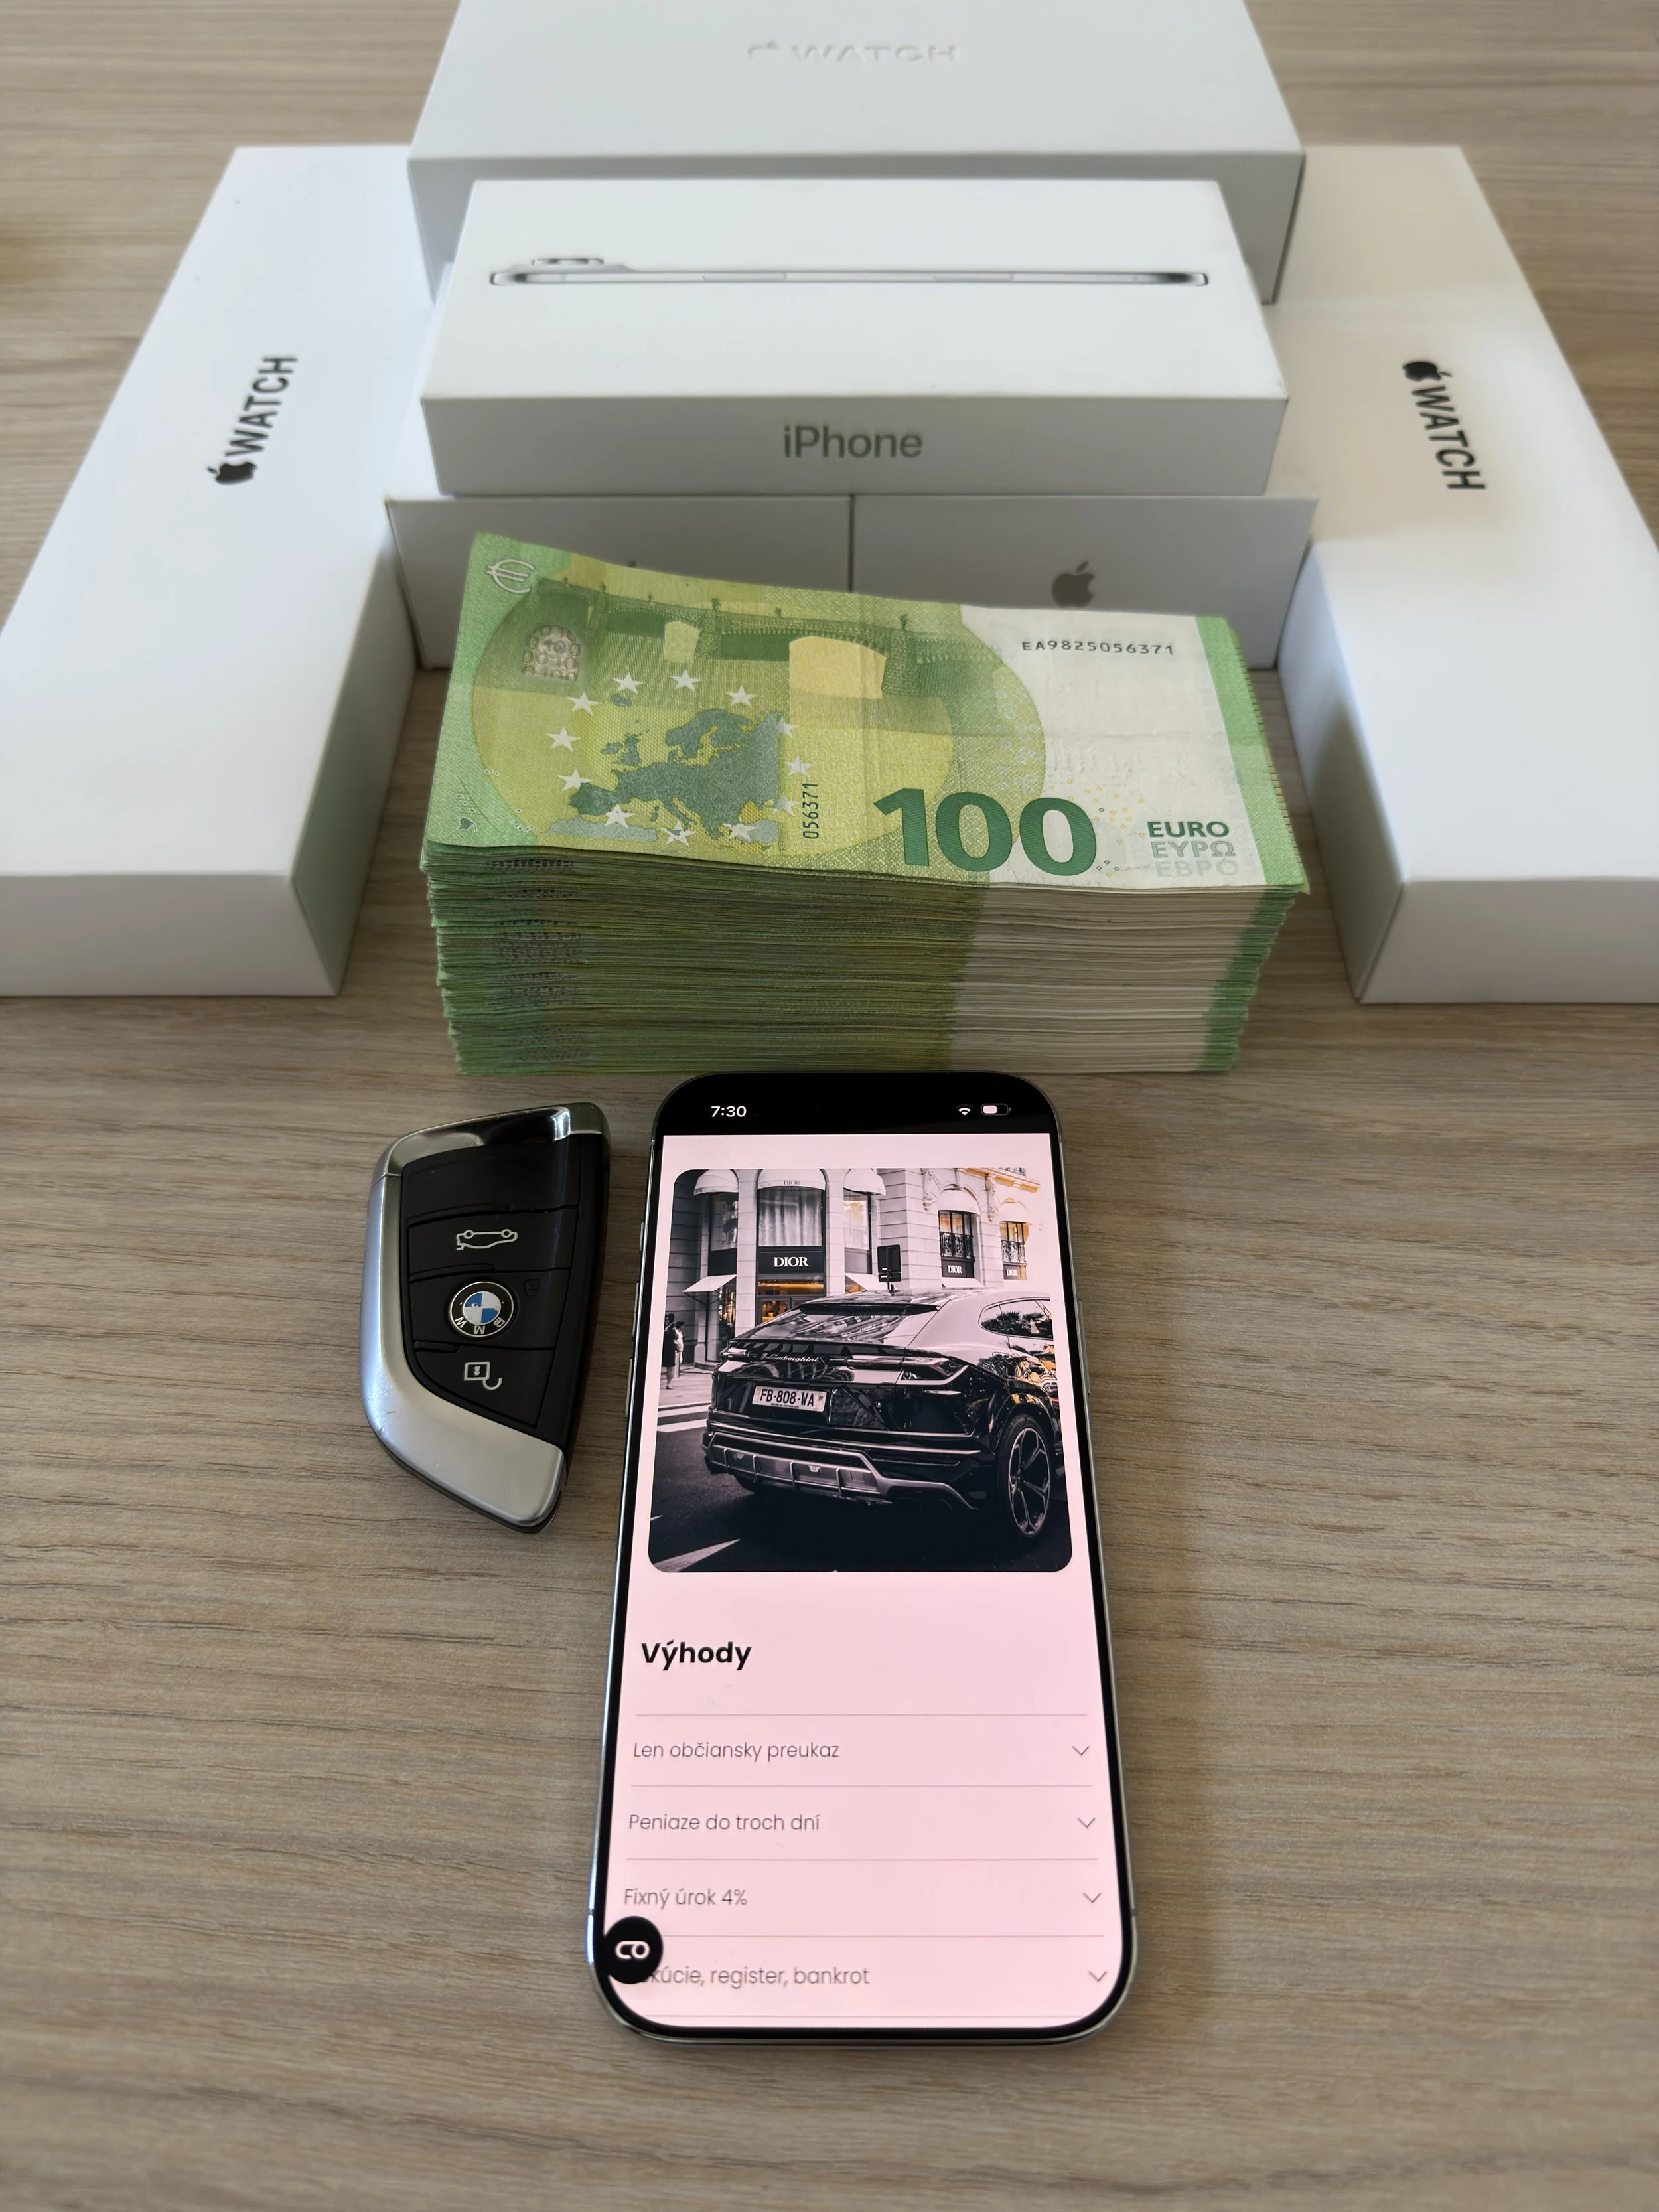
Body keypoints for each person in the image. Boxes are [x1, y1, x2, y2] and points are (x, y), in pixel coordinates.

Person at [661, 1313, 684, 1387]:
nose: (666, 1321)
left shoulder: (671, 1329)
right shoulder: (660, 1327)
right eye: (665, 1320)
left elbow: (677, 1337)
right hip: (662, 1349)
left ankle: (669, 1383)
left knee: (670, 1367)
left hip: (670, 1349)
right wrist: (665, 1331)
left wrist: (674, 1330)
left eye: (667, 1320)